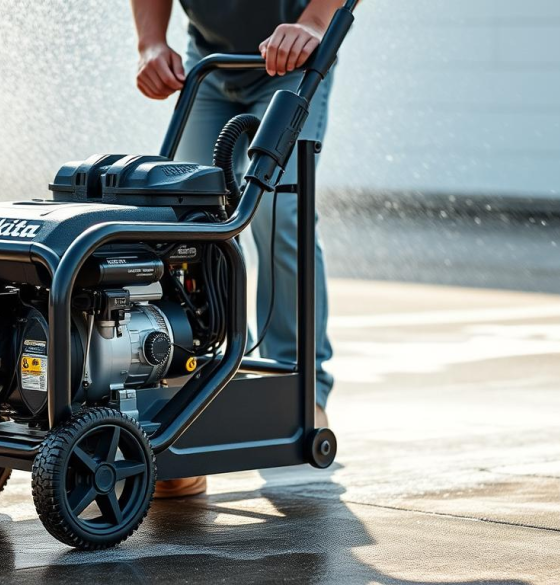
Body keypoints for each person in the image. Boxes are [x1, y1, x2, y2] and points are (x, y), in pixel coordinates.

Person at [130, 0, 342, 497]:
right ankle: (197, 391)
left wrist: (313, 23)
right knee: (187, 223)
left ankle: (301, 388)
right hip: (210, 61)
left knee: (278, 213)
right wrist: (151, 42)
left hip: (294, 59)